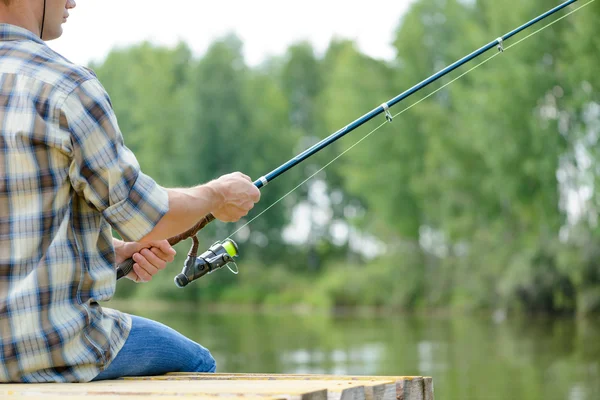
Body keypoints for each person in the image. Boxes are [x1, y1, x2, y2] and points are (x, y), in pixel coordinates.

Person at [0, 0, 261, 383]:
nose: (72, 0)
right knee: (199, 364)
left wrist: (112, 253)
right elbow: (148, 217)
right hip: (48, 347)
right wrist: (216, 195)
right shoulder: (65, 86)